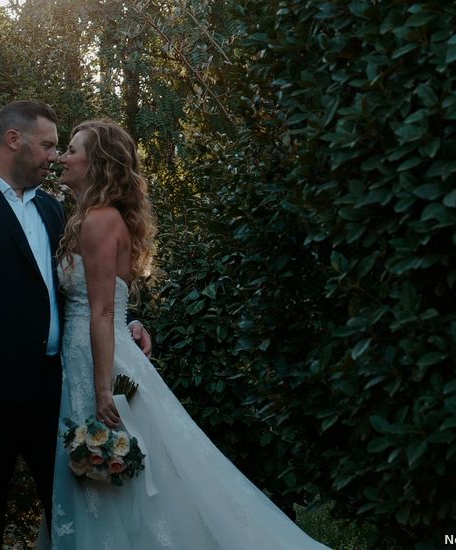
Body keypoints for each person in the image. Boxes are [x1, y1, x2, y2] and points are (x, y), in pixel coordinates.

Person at [41, 119, 329, 549]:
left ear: (97, 164)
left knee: (115, 470)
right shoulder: (89, 217)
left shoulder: (99, 220)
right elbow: (112, 305)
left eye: (72, 150)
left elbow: (101, 311)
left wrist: (103, 392)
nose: (63, 157)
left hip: (96, 362)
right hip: (97, 351)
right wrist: (133, 325)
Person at [0, 102, 151, 549]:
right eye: (48, 144)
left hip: (55, 390)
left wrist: (132, 321)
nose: (54, 155)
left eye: (60, 147)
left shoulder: (53, 211)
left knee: (71, 506)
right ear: (14, 140)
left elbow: (92, 287)